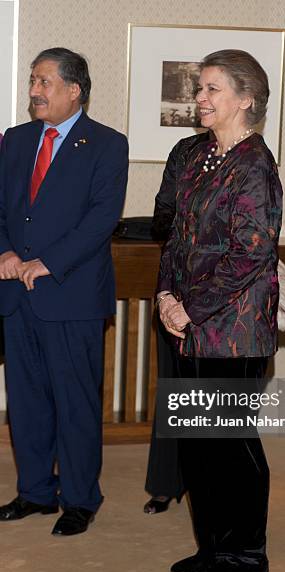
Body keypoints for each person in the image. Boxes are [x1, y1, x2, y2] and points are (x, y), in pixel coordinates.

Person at [157, 49, 282, 572]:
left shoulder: (256, 165)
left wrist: (190, 305)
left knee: (232, 447)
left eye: (212, 90)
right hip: (189, 327)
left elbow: (250, 254)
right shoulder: (194, 156)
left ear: (246, 99)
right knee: (197, 443)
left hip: (234, 330)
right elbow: (175, 233)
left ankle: (246, 557)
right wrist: (165, 293)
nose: (200, 98)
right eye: (199, 88)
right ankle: (211, 546)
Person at [0, 48, 128, 536]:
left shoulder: (107, 145)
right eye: (33, 80)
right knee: (27, 401)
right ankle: (35, 491)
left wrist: (47, 263)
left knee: (75, 402)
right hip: (16, 295)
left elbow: (100, 220)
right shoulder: (15, 140)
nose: (34, 90)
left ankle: (79, 498)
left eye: (44, 81)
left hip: (71, 294)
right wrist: (6, 253)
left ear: (75, 91)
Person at [144, 130, 210, 514]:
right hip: (176, 286)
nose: (202, 99)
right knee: (173, 388)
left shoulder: (253, 156)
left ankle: (210, 486)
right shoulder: (184, 150)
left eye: (212, 90)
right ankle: (167, 483)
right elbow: (160, 218)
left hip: (225, 298)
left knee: (215, 396)